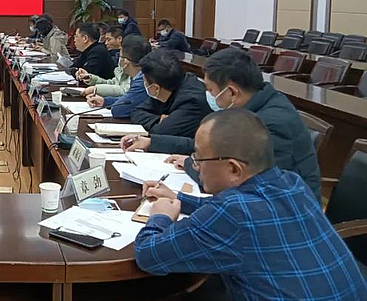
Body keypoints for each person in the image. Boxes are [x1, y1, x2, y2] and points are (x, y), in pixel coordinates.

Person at [135, 110, 367, 301]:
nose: (195, 166)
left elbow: (148, 254)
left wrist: (160, 216)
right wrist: (179, 199)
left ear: (234, 169)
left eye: (199, 159)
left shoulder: (232, 213)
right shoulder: (291, 183)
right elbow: (238, 213)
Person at [133, 48, 322, 201]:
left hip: (287, 215)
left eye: (210, 90)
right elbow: (214, 146)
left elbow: (239, 185)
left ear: (231, 92)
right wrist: (153, 142)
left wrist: (192, 164)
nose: (208, 96)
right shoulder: (256, 105)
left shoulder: (269, 125)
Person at [127, 49, 212, 137]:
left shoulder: (192, 102)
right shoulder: (166, 86)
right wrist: (158, 119)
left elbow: (160, 132)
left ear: (156, 88)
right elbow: (136, 112)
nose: (144, 84)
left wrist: (164, 123)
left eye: (144, 81)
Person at [86, 34, 151, 118]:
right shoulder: (138, 76)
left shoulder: (143, 80)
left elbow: (118, 110)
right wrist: (105, 101)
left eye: (120, 56)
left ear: (125, 61)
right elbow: (126, 100)